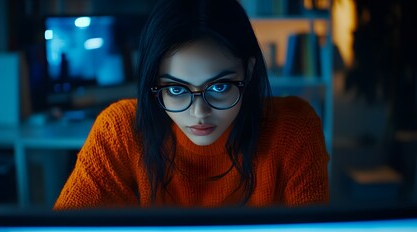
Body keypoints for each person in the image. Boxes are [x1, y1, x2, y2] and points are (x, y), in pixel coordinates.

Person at [53, 0, 329, 210]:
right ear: (154, 83)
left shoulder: (293, 128)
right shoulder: (121, 130)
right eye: (176, 89)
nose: (199, 113)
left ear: (249, 70)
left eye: (219, 87)